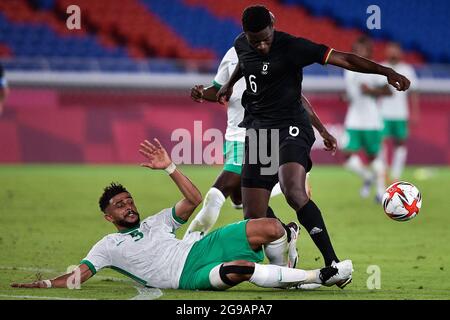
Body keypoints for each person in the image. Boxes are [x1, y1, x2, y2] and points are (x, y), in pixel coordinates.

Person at [216, 5, 410, 287]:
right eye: (254, 40)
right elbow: (243, 64)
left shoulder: (293, 47)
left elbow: (344, 59)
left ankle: (333, 264)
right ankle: (288, 237)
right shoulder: (242, 44)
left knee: (294, 191)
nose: (260, 45)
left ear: (273, 24)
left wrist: (385, 71)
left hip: (291, 128)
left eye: (265, 38)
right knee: (253, 214)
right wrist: (229, 85)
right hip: (259, 131)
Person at [11, 138, 352, 291]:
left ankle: (282, 275)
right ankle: (315, 277)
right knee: (243, 269)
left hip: (198, 248)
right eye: (119, 205)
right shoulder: (108, 244)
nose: (128, 206)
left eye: (129, 200)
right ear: (108, 217)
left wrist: (170, 167)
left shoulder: (155, 221)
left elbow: (192, 199)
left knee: (271, 226)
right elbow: (79, 276)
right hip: (185, 276)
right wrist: (43, 283)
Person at [342, 36, 392, 202]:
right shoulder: (347, 68)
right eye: (355, 49)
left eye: (360, 49)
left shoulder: (374, 69)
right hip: (354, 119)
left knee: (373, 157)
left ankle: (380, 192)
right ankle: (367, 176)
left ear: (368, 51)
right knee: (347, 155)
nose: (356, 51)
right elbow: (352, 92)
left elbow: (388, 91)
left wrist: (371, 91)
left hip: (371, 121)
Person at [379, 42, 419, 181]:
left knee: (400, 143)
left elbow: (413, 92)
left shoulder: (407, 69)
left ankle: (396, 175)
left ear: (400, 52)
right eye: (390, 50)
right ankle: (383, 171)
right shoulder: (381, 67)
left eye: (395, 50)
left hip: (401, 114)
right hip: (383, 113)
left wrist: (415, 112)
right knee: (381, 142)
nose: (393, 53)